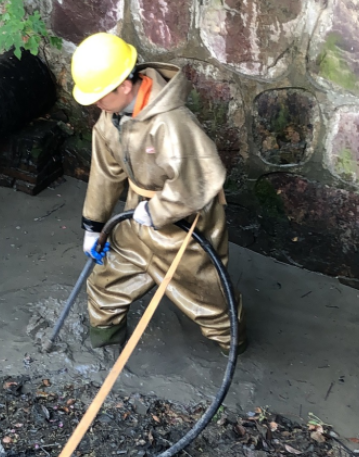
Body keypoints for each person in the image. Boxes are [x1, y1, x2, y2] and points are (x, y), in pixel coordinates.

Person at [70, 32, 247, 356]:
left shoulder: (172, 123)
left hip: (185, 224)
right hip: (137, 215)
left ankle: (233, 344)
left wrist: (157, 213)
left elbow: (196, 182)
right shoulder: (112, 119)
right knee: (107, 280)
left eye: (100, 94)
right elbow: (106, 171)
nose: (96, 103)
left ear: (125, 85)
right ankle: (105, 340)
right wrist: (93, 226)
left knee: (206, 296)